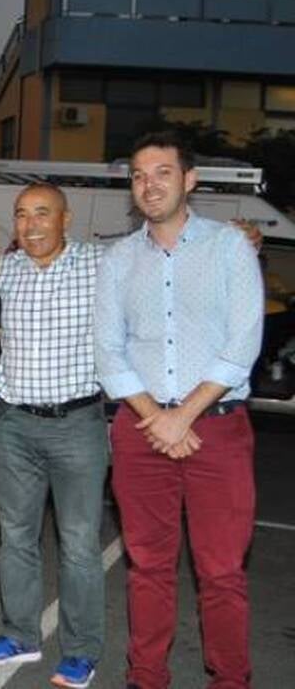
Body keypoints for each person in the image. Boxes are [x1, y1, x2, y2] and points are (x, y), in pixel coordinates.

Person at [95, 131, 263, 689]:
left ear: (189, 180)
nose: (149, 185)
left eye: (162, 173)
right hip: (141, 429)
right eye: (139, 176)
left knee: (222, 572)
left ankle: (231, 679)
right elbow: (108, 351)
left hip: (217, 429)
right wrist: (157, 417)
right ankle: (146, 676)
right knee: (148, 567)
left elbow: (243, 343)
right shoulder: (118, 259)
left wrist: (183, 415)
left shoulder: (230, 247)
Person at [0, 182, 109, 689]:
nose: (30, 225)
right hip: (14, 425)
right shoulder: (5, 271)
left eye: (42, 213)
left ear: (66, 219)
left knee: (79, 545)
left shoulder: (99, 264)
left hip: (78, 424)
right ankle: (20, 634)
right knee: (15, 539)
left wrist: (239, 235)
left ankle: (81, 650)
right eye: (22, 214)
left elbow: (158, 254)